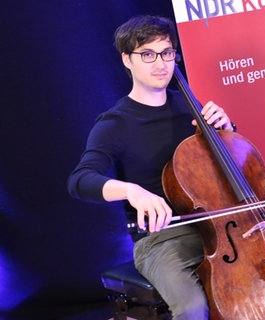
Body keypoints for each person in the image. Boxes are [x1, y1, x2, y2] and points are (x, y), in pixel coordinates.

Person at [67, 15, 234, 319]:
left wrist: (226, 131)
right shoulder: (114, 124)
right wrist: (130, 190)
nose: (161, 63)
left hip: (218, 226)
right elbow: (80, 180)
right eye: (147, 54)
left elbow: (227, 165)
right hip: (161, 240)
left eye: (167, 52)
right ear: (127, 61)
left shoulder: (189, 105)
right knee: (193, 307)